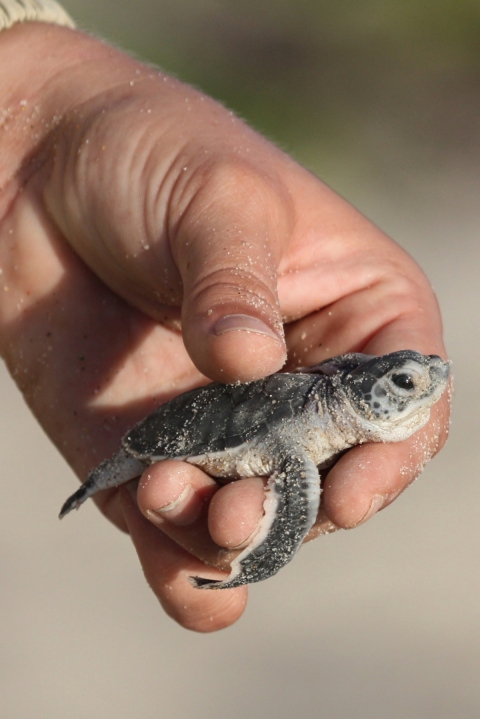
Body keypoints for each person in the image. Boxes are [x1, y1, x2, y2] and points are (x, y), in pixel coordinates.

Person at [0, 5, 449, 632]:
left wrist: (30, 93)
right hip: (202, 428)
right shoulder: (302, 436)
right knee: (157, 470)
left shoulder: (341, 385)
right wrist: (30, 104)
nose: (431, 379)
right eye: (407, 381)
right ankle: (151, 507)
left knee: (194, 500)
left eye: (423, 374)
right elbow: (297, 485)